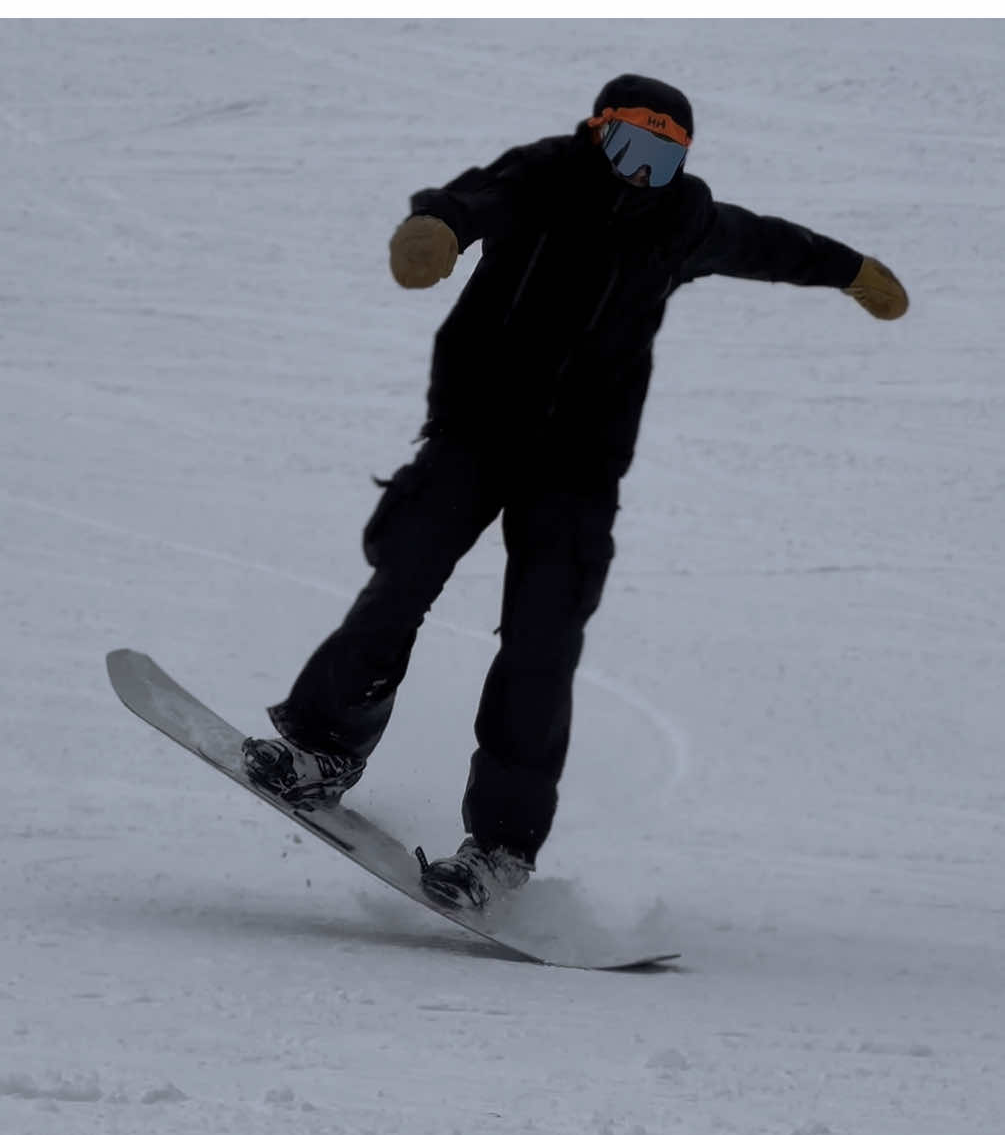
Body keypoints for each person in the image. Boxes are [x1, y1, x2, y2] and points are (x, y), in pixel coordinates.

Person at [242, 73, 908, 911]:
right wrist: (438, 228)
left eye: (662, 159)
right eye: (629, 147)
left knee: (541, 643)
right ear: (597, 134)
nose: (641, 174)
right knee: (402, 576)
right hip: (475, 432)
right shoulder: (544, 176)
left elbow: (765, 243)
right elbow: (473, 199)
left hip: (579, 467)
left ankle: (499, 849)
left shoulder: (683, 221)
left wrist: (850, 270)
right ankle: (325, 749)